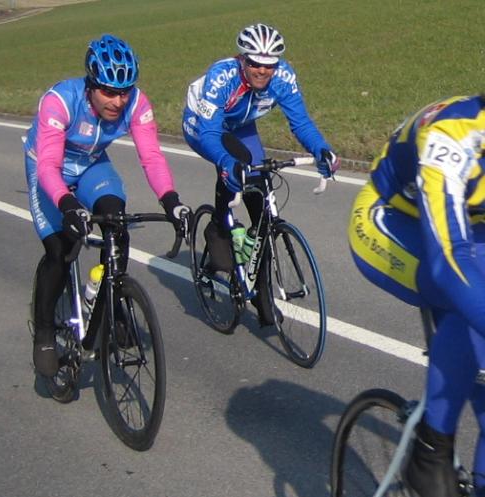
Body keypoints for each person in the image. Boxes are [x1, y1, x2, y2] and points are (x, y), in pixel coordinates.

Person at [24, 34, 189, 377]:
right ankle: (44, 331)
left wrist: (171, 201)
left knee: (116, 222)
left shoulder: (137, 103)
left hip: (91, 164)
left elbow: (152, 157)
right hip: (48, 168)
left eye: (124, 91)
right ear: (91, 85)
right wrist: (68, 204)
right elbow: (48, 166)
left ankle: (110, 299)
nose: (118, 101)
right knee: (59, 249)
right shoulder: (60, 101)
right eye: (109, 92)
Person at [348, 95, 485, 497]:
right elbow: (449, 260)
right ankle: (430, 450)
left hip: (470, 228)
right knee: (463, 297)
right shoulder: (454, 135)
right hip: (390, 220)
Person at [182, 22, 339, 324]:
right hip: (203, 126)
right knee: (235, 165)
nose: (263, 71)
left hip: (241, 126)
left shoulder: (283, 77)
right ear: (242, 59)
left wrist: (322, 149)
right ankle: (219, 227)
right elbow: (211, 134)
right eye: (255, 63)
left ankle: (261, 290)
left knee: (261, 202)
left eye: (269, 65)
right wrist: (226, 163)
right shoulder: (222, 76)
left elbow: (301, 122)